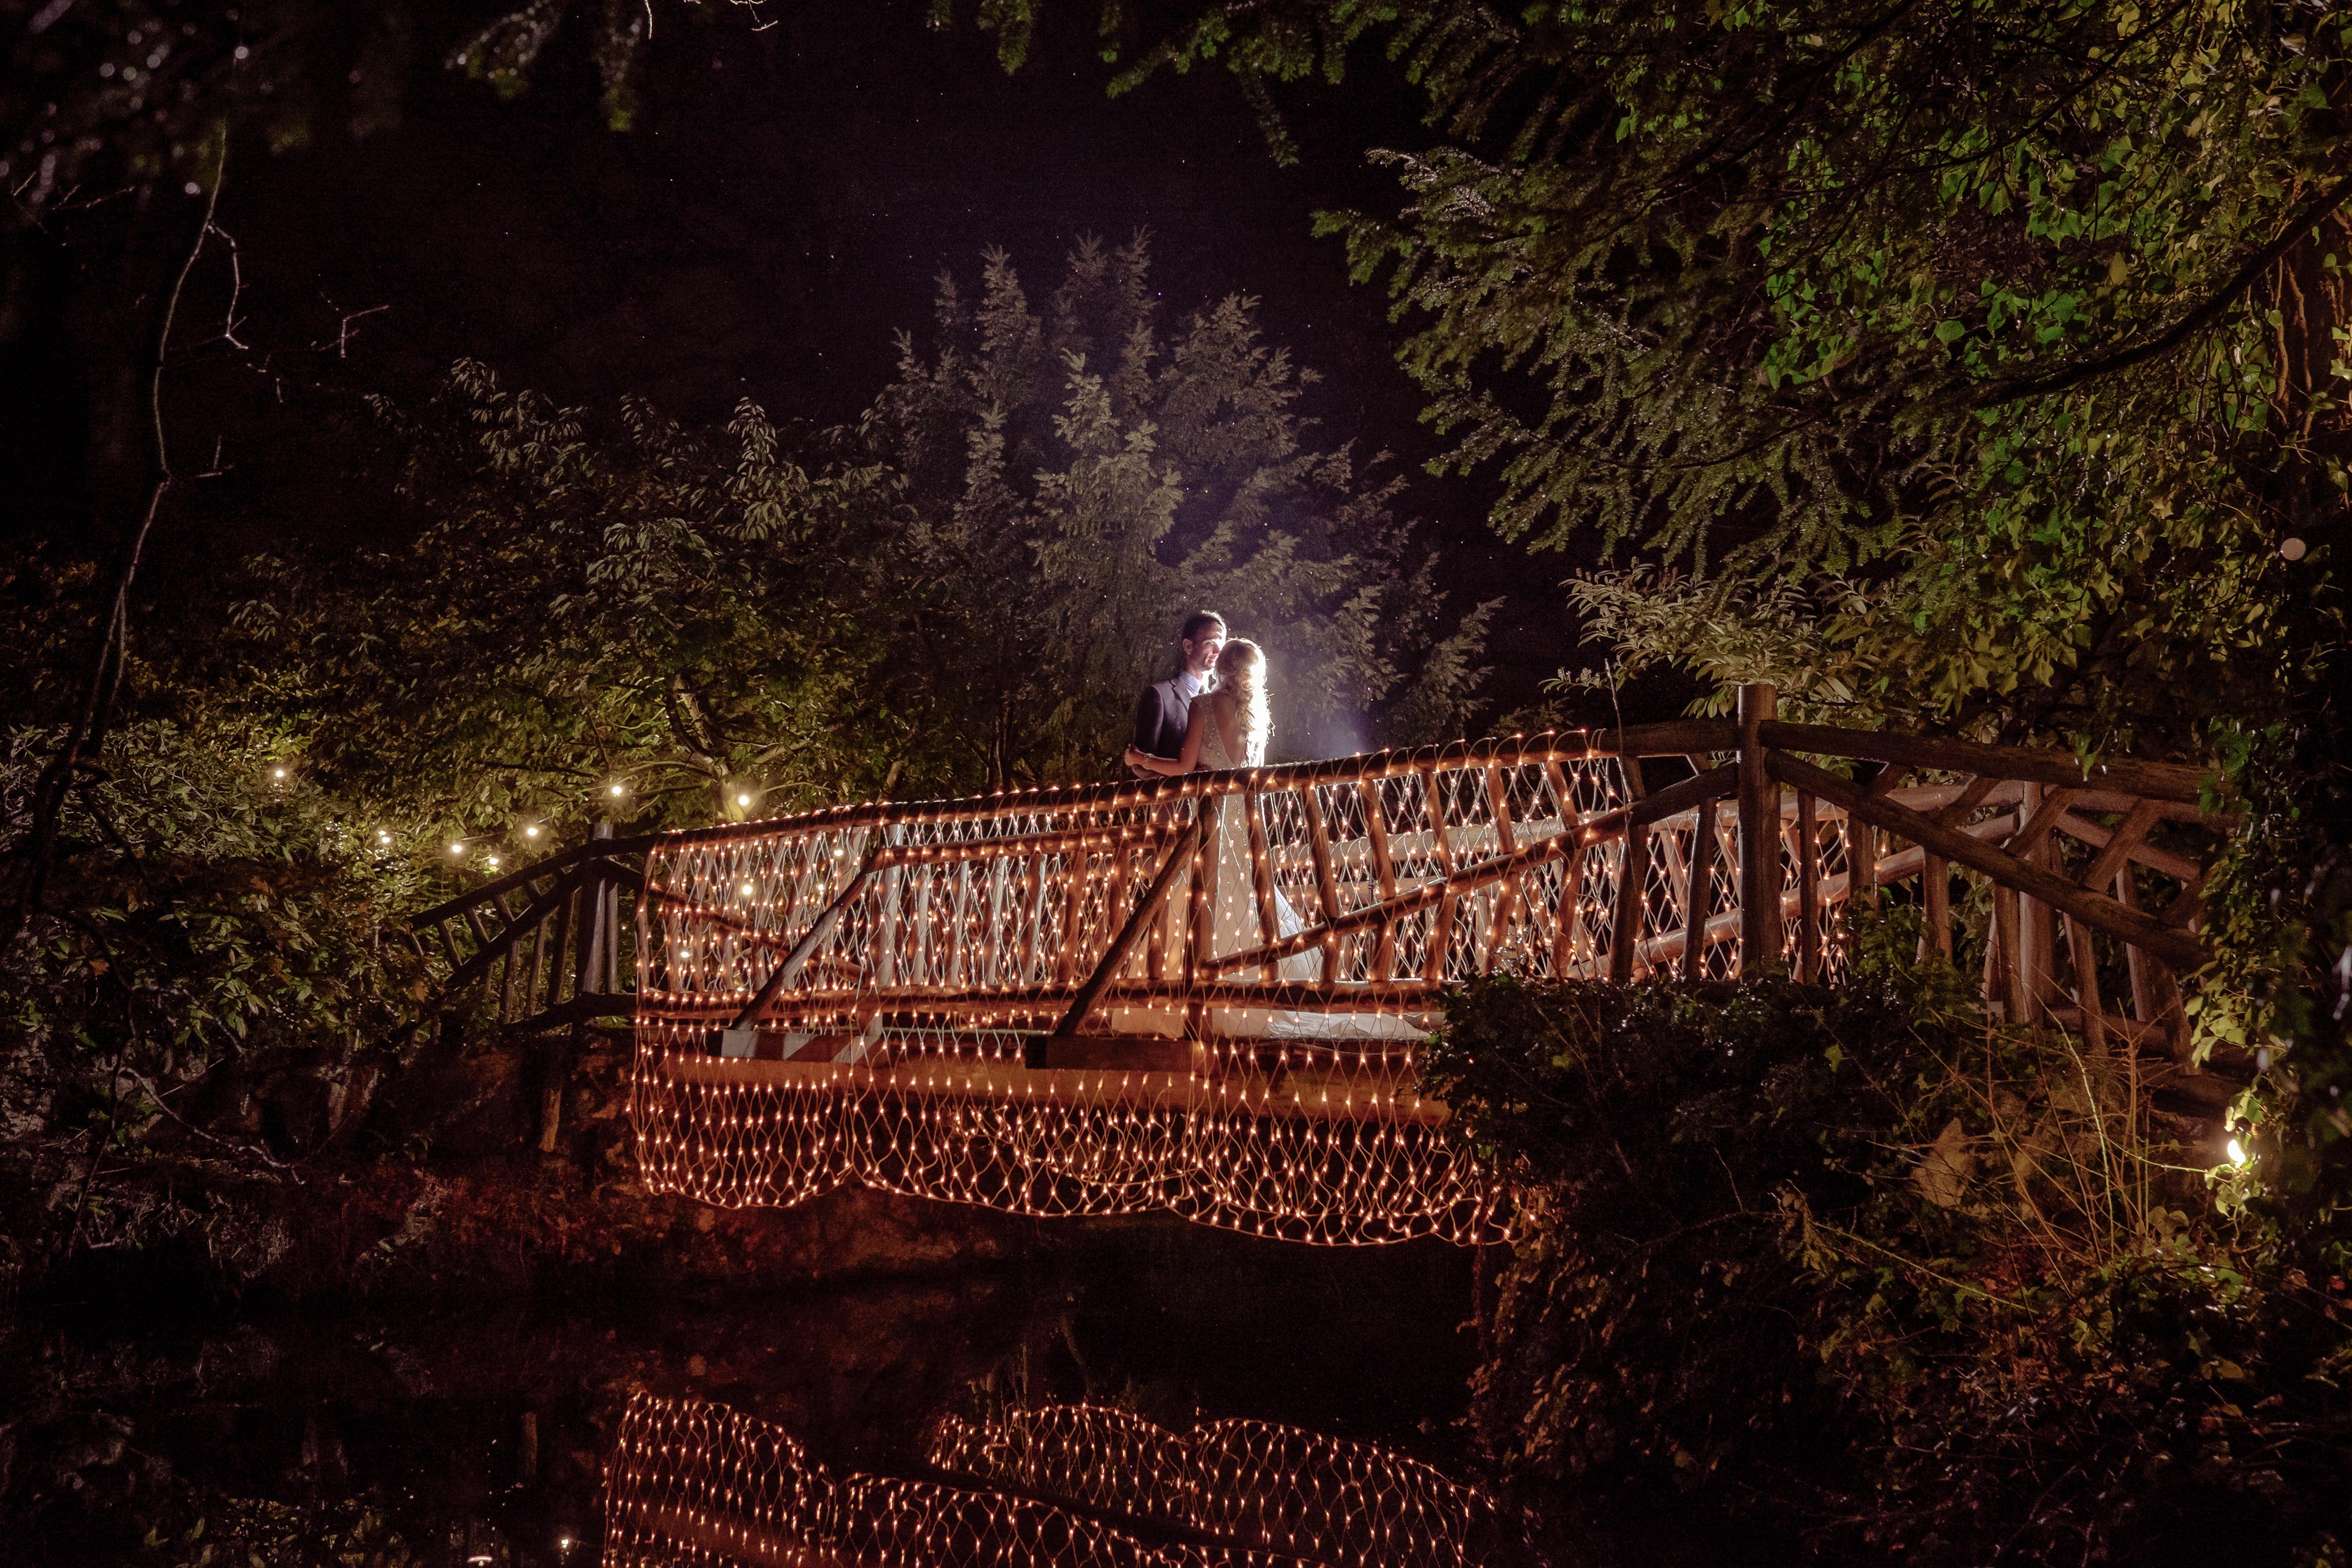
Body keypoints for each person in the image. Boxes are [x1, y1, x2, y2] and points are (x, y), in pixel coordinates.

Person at [1129, 611, 1225, 779]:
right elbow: (1139, 765)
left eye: (1222, 645)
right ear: (1188, 647)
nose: (1219, 651)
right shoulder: (1159, 695)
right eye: (1210, 643)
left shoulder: (1220, 703)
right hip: (1170, 802)